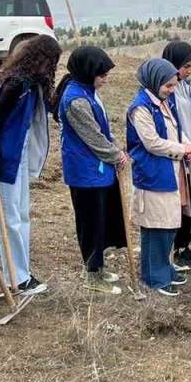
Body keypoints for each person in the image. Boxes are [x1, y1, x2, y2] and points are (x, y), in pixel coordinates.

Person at [0, 35, 62, 297]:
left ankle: (22, 274)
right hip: (4, 160)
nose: (50, 68)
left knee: (20, 215)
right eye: (51, 62)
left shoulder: (31, 83)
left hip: (16, 157)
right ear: (40, 59)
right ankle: (15, 278)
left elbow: (50, 109)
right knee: (9, 219)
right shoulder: (16, 85)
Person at [54, 46, 130, 295]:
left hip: (97, 170)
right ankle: (91, 274)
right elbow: (94, 138)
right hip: (85, 172)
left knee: (100, 221)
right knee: (90, 223)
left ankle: (97, 267)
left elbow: (103, 130)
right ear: (88, 72)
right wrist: (116, 154)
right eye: (102, 75)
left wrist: (116, 149)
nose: (105, 79)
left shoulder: (88, 92)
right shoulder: (76, 100)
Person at [125, 58, 191, 296]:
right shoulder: (141, 107)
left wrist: (187, 145)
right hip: (152, 173)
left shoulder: (163, 103)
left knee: (169, 223)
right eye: (167, 86)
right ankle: (153, 277)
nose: (171, 90)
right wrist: (181, 149)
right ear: (154, 82)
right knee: (155, 226)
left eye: (173, 85)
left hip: (168, 171)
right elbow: (152, 142)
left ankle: (165, 268)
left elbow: (176, 130)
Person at [162, 41, 191, 270]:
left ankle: (184, 245)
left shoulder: (187, 86)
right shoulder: (167, 89)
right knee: (179, 203)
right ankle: (174, 249)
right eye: (186, 66)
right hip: (178, 156)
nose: (189, 70)